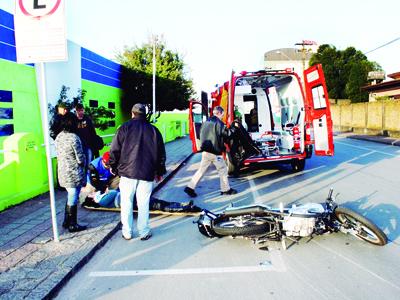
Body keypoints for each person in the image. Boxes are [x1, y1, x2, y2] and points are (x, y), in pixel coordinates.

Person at [109, 103, 166, 241]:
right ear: (145, 114)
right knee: (143, 203)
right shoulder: (154, 130)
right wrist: (159, 172)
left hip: (127, 173)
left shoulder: (124, 128)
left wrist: (113, 166)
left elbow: (115, 149)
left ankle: (127, 232)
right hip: (147, 173)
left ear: (132, 113)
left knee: (126, 202)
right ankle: (144, 231)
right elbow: (161, 154)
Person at [83, 152, 200, 213]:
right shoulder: (101, 201)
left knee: (155, 203)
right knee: (155, 204)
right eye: (90, 196)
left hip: (126, 196)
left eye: (90, 195)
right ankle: (182, 207)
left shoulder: (101, 198)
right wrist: (101, 193)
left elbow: (113, 192)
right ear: (93, 199)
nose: (91, 194)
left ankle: (183, 206)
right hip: (127, 199)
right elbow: (111, 193)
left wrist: (107, 191)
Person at [184, 106, 237, 198]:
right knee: (223, 170)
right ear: (219, 113)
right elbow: (227, 135)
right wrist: (234, 128)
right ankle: (225, 190)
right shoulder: (219, 123)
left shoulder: (205, 122)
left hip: (206, 151)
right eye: (222, 114)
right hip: (215, 153)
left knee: (201, 170)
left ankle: (190, 187)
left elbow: (201, 135)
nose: (222, 116)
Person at [55, 112, 87, 232]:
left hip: (62, 172)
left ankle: (66, 221)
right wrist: (83, 162)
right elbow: (80, 159)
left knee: (70, 196)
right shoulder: (74, 137)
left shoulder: (59, 136)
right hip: (73, 173)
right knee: (73, 197)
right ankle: (73, 224)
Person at [75, 103, 99, 169]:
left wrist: (95, 146)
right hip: (78, 147)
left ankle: (89, 179)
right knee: (80, 165)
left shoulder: (87, 119)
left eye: (82, 110)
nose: (81, 112)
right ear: (76, 111)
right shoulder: (74, 120)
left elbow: (93, 133)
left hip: (88, 146)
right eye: (79, 110)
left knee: (89, 164)